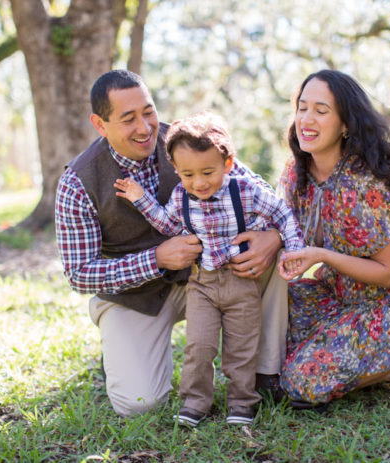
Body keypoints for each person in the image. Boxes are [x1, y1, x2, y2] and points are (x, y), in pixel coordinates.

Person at [54, 70, 288, 418]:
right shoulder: (77, 183)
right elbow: (79, 274)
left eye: (148, 111)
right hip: (137, 297)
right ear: (100, 125)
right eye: (128, 119)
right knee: (139, 405)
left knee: (277, 257)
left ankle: (266, 374)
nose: (145, 127)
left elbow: (257, 190)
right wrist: (156, 259)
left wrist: (274, 237)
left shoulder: (187, 140)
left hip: (213, 277)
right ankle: (125, 351)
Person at [276, 69, 390, 409]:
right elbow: (279, 227)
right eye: (302, 108)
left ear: (345, 123)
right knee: (270, 317)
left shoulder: (364, 182)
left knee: (301, 380)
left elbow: (388, 272)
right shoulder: (296, 172)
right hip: (339, 294)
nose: (307, 119)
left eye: (321, 110)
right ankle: (377, 359)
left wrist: (323, 256)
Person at [114, 111, 305, 426]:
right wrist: (140, 198)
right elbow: (168, 222)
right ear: (176, 170)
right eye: (188, 174)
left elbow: (281, 211)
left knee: (241, 347)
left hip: (241, 280)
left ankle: (242, 402)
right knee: (198, 346)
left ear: (227, 164)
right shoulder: (181, 196)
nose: (199, 183)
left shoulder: (245, 190)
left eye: (208, 172)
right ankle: (195, 402)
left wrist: (293, 246)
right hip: (202, 283)